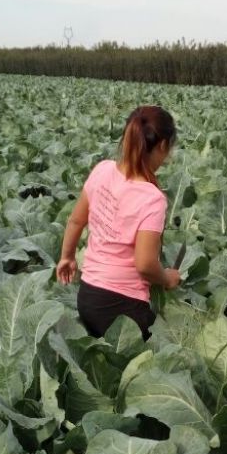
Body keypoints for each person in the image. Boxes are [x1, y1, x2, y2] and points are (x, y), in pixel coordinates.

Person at [56, 105, 180, 339]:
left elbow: (75, 221)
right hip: (123, 314)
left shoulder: (102, 170)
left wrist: (67, 257)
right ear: (163, 146)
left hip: (87, 298)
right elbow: (144, 264)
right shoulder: (152, 198)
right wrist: (166, 278)